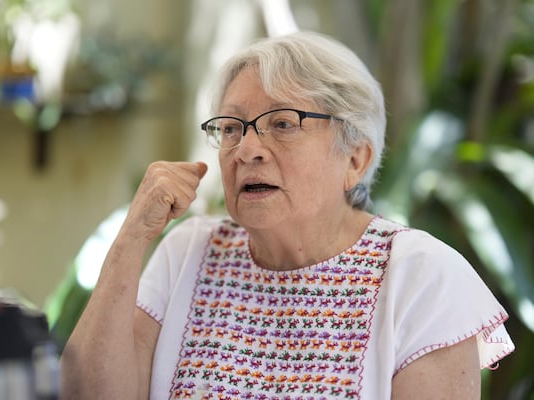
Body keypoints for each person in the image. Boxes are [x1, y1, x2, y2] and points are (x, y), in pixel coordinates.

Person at [60, 31, 515, 399]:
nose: (247, 150)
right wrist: (131, 238)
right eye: (232, 128)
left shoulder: (421, 277)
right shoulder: (189, 252)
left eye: (282, 124)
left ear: (354, 159)